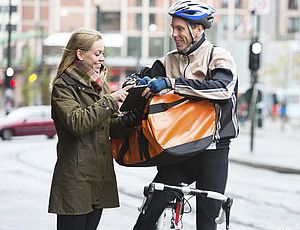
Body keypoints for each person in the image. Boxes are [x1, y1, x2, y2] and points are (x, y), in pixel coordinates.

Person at [133, 1, 239, 229]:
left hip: (213, 149)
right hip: (180, 149)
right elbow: (146, 80)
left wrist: (172, 83)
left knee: (206, 221)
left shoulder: (218, 56)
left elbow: (221, 88)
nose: (174, 34)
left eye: (180, 29)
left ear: (198, 30)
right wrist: (141, 83)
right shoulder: (168, 60)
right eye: (173, 28)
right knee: (148, 213)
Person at [48, 27, 136, 230]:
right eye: (97, 53)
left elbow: (108, 126)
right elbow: (77, 123)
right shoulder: (63, 86)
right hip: (75, 179)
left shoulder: (99, 85)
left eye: (103, 53)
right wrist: (110, 101)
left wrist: (132, 116)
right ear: (80, 54)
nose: (102, 58)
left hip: (99, 176)